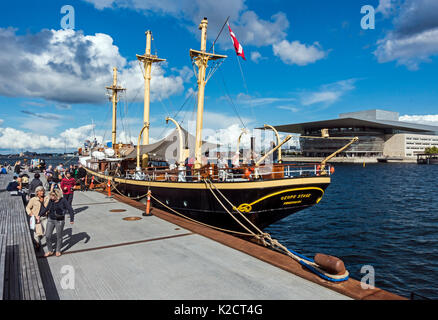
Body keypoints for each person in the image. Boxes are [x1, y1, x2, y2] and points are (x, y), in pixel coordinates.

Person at [40, 190, 74, 257]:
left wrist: (71, 219)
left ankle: (58, 250)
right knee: (47, 236)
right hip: (50, 219)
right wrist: (39, 215)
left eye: (53, 195)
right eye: (51, 195)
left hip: (59, 221)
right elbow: (47, 208)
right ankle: (50, 251)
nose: (51, 197)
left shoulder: (63, 200)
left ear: (57, 195)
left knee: (59, 236)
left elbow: (70, 209)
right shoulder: (51, 200)